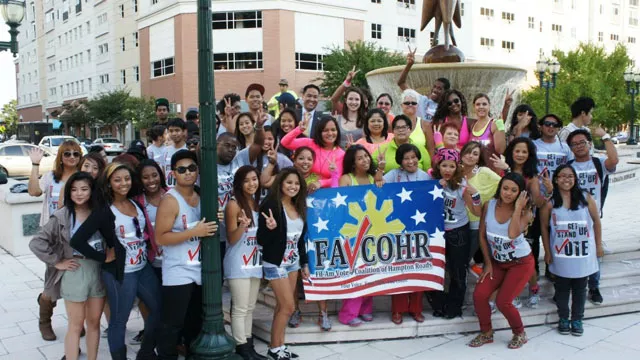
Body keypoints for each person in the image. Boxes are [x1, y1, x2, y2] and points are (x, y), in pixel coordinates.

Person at [30, 172, 115, 360]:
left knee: (94, 323)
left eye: (84, 189)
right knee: (75, 325)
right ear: (68, 192)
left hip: (97, 269)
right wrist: (57, 262)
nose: (79, 194)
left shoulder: (100, 212)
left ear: (92, 191)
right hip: (75, 269)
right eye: (74, 189)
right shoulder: (62, 215)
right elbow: (37, 242)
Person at [81, 162, 162, 359]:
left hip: (142, 267)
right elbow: (78, 240)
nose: (123, 183)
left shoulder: (135, 203)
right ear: (109, 184)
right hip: (121, 272)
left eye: (126, 179)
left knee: (159, 310)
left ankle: (146, 352)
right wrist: (103, 257)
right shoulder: (104, 210)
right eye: (117, 180)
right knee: (119, 320)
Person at [155, 150, 219, 359]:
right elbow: (161, 238)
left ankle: (192, 353)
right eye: (182, 170)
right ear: (174, 173)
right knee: (173, 322)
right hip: (178, 269)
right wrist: (193, 232)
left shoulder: (202, 195)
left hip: (200, 268)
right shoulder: (170, 200)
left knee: (195, 320)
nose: (188, 173)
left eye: (192, 168)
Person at [470, 172, 534, 349]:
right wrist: (488, 263)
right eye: (505, 188)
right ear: (500, 188)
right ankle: (486, 333)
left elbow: (512, 234)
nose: (508, 193)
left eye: (514, 190)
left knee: (503, 302)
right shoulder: (489, 204)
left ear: (521, 193)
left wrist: (518, 208)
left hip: (520, 263)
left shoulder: (526, 212)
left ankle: (520, 333)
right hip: (497, 263)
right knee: (480, 295)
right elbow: (482, 235)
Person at [27, 140, 82, 341]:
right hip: (54, 237)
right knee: (53, 282)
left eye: (76, 154)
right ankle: (45, 322)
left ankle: (76, 324)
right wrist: (35, 165)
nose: (72, 157)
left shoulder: (81, 178)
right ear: (60, 156)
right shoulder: (52, 177)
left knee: (76, 280)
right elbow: (33, 191)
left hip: (76, 237)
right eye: (67, 153)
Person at [541, 164, 603, 336]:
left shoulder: (586, 197)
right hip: (561, 254)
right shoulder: (550, 202)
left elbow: (597, 222)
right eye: (562, 176)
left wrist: (598, 246)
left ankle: (577, 319)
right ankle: (563, 318)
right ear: (555, 179)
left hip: (583, 253)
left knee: (580, 289)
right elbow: (544, 228)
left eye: (570, 176)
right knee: (561, 289)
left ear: (575, 179)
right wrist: (547, 251)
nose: (566, 179)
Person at [492, 137, 552, 308]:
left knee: (526, 260)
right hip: (502, 221)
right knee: (506, 260)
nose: (520, 154)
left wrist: (548, 191)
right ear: (511, 152)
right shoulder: (500, 169)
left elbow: (538, 202)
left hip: (525, 224)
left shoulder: (531, 176)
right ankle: (512, 293)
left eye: (524, 151)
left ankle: (533, 288)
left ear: (530, 155)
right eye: (517, 150)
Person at [257, 168, 309, 360]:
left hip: (293, 263)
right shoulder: (271, 205)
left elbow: (300, 240)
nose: (293, 186)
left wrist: (304, 263)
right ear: (280, 183)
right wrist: (270, 228)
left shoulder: (299, 206)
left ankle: (279, 347)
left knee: (282, 307)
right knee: (288, 307)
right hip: (275, 262)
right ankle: (274, 347)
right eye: (289, 182)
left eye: (296, 183)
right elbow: (261, 239)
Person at [566, 128, 618, 305]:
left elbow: (614, 160)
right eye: (574, 144)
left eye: (582, 142)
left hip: (593, 216)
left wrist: (605, 136)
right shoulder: (568, 167)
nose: (579, 146)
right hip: (573, 216)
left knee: (595, 250)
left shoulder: (599, 163)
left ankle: (594, 286)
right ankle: (572, 284)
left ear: (589, 144)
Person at [381, 143, 430, 324]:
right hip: (398, 230)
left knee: (418, 269)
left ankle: (416, 310)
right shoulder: (395, 175)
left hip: (420, 231)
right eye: (406, 158)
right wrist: (379, 171)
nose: (410, 161)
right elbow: (378, 184)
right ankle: (397, 311)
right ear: (400, 162)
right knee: (400, 271)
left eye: (413, 157)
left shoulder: (425, 176)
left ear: (418, 158)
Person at [430, 148, 481, 319]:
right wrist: (435, 189)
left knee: (458, 271)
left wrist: (475, 195)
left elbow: (477, 211)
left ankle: (454, 307)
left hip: (458, 231)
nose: (447, 170)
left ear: (457, 167)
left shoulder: (461, 185)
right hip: (436, 232)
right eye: (444, 165)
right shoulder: (431, 182)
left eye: (451, 166)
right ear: (438, 167)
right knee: (433, 269)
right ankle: (438, 304)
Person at [223, 166, 266, 360]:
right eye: (247, 180)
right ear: (240, 184)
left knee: (249, 307)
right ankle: (241, 347)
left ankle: (249, 344)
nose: (252, 184)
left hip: (254, 262)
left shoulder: (257, 203)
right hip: (238, 262)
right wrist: (242, 226)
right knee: (240, 308)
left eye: (254, 179)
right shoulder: (233, 205)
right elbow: (231, 238)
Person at [531, 114, 572, 279]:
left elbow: (571, 172)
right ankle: (533, 271)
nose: (551, 127)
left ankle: (552, 269)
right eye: (547, 123)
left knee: (554, 233)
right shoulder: (533, 145)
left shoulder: (564, 148)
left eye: (555, 125)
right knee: (533, 235)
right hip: (536, 198)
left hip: (557, 199)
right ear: (540, 126)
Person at [460, 142, 501, 277]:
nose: (471, 156)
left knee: (463, 259)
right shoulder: (455, 171)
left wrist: (507, 168)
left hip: (475, 225)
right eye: (468, 152)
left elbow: (506, 184)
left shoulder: (484, 172)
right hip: (456, 224)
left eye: (475, 154)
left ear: (479, 158)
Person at [281, 115, 345, 189]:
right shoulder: (310, 143)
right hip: (303, 189)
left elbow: (338, 178)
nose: (330, 133)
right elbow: (285, 142)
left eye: (333, 130)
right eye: (325, 130)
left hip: (326, 193)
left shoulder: (341, 154)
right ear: (319, 132)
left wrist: (320, 183)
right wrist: (299, 129)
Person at [397, 46, 449, 122]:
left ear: (446, 92)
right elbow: (401, 83)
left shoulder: (446, 108)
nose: (435, 90)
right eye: (434, 87)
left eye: (439, 88)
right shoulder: (422, 100)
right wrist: (409, 65)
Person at [217, 132, 240, 279]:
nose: (231, 149)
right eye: (227, 145)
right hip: (217, 232)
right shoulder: (206, 165)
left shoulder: (238, 162)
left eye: (234, 147)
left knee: (235, 277)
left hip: (236, 229)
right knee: (217, 275)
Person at [469, 93, 506, 174]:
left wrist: (501, 127)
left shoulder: (494, 124)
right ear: (474, 107)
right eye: (478, 104)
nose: (481, 107)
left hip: (492, 173)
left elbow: (501, 150)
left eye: (484, 104)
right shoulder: (472, 125)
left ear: (489, 106)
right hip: (475, 173)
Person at [330, 69, 367, 147]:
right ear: (346, 101)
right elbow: (334, 99)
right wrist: (347, 82)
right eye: (350, 99)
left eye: (357, 99)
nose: (353, 102)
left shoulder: (365, 120)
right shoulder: (337, 118)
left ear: (361, 102)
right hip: (338, 157)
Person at [399, 89, 434, 155]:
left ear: (417, 106)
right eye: (407, 103)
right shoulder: (395, 123)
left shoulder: (425, 124)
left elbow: (431, 148)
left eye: (413, 103)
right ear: (401, 105)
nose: (410, 105)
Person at [162, 118, 188, 189]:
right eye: (171, 131)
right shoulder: (165, 151)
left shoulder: (188, 150)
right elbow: (163, 171)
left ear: (184, 131)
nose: (174, 134)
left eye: (177, 130)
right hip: (169, 191)